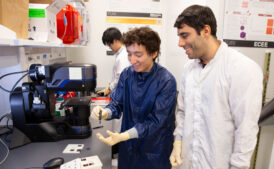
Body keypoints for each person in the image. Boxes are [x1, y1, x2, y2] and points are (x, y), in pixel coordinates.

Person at [169, 5, 263, 169]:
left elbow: (246, 129)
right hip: (188, 162)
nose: (180, 43)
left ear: (205, 31)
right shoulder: (189, 70)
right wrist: (178, 141)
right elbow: (183, 111)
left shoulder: (242, 68)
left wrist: (238, 167)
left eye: (184, 35)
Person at [91, 27, 177, 169]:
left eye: (138, 54)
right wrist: (106, 112)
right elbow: (117, 103)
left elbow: (156, 121)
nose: (132, 60)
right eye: (129, 54)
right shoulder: (127, 74)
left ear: (154, 53)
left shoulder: (166, 81)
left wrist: (126, 135)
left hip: (154, 149)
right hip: (129, 148)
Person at [98, 27, 130, 96]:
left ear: (116, 41)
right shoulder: (121, 54)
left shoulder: (123, 56)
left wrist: (109, 88)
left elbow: (120, 77)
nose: (109, 47)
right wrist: (109, 87)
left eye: (109, 44)